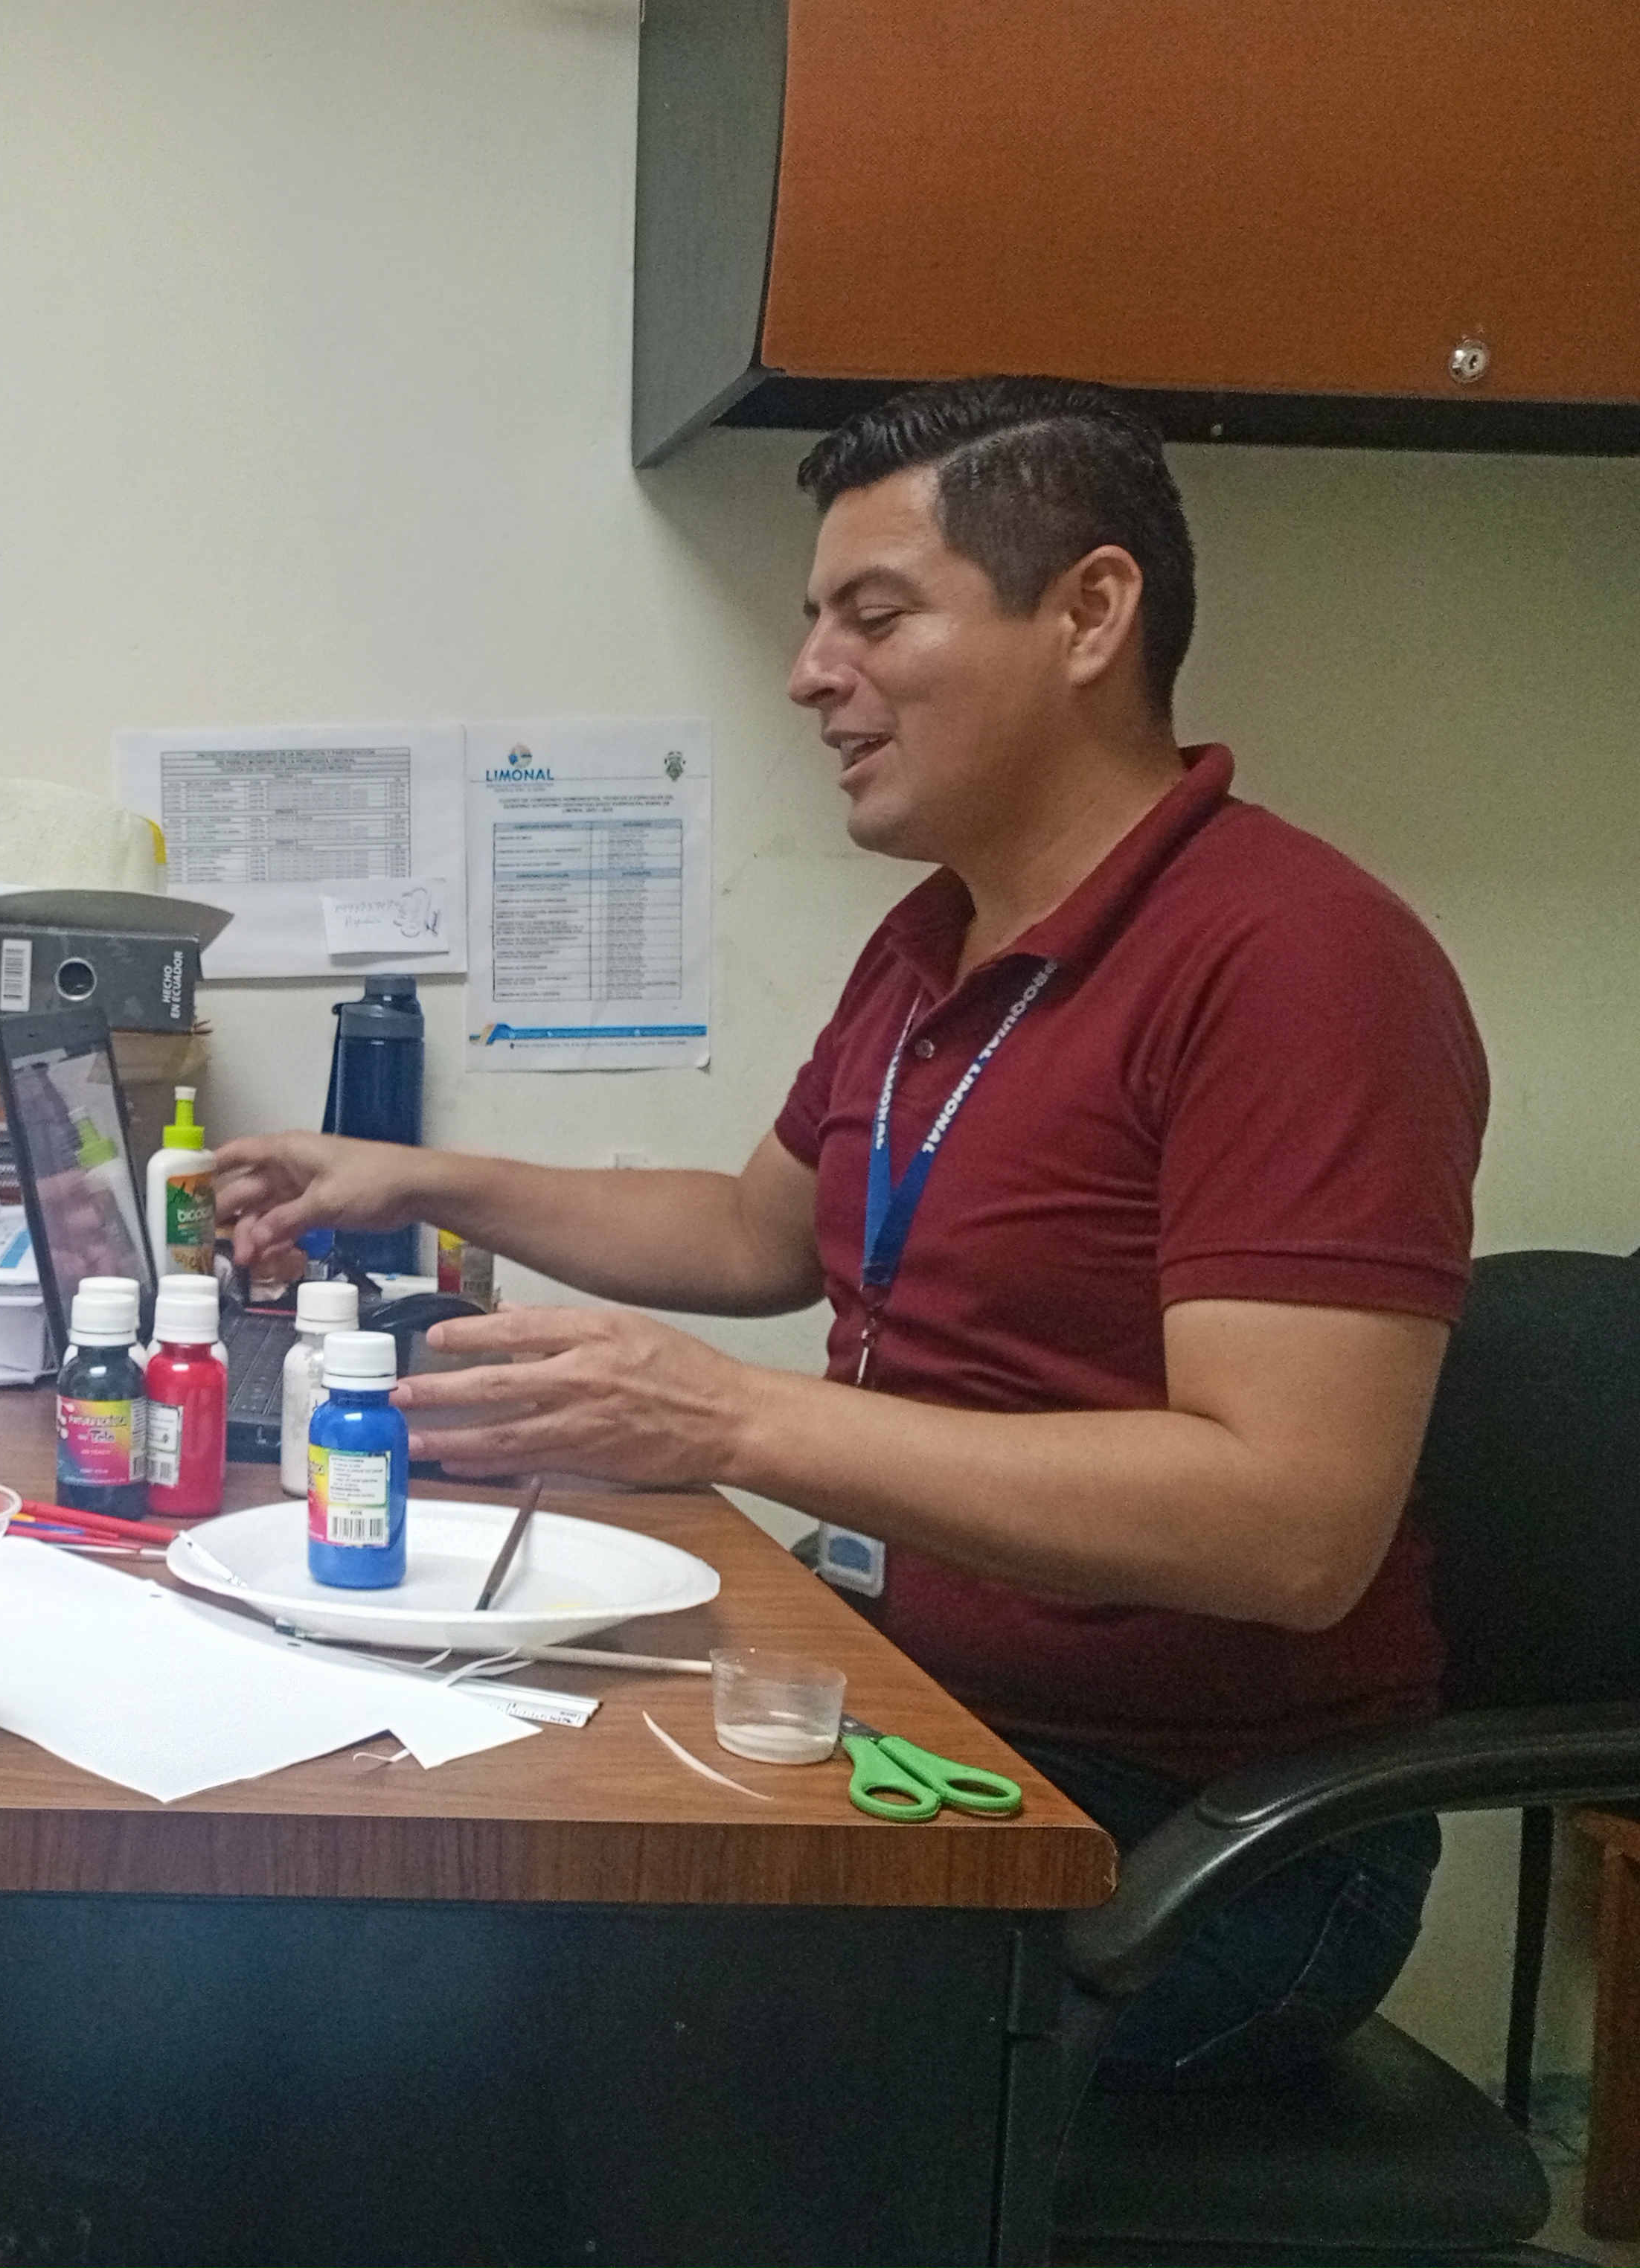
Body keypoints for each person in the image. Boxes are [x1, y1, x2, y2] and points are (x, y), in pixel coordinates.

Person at [218, 377, 1487, 2091]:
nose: (810, 672)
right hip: (902, 1691)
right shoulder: (932, 947)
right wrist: (417, 1180)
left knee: (525, 2019)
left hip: (1182, 1831)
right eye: (816, 622)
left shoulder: (1298, 962)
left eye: (874, 617)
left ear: (1089, 614)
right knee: (402, 1853)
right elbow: (758, 1232)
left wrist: (725, 1417)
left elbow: (1290, 1527)